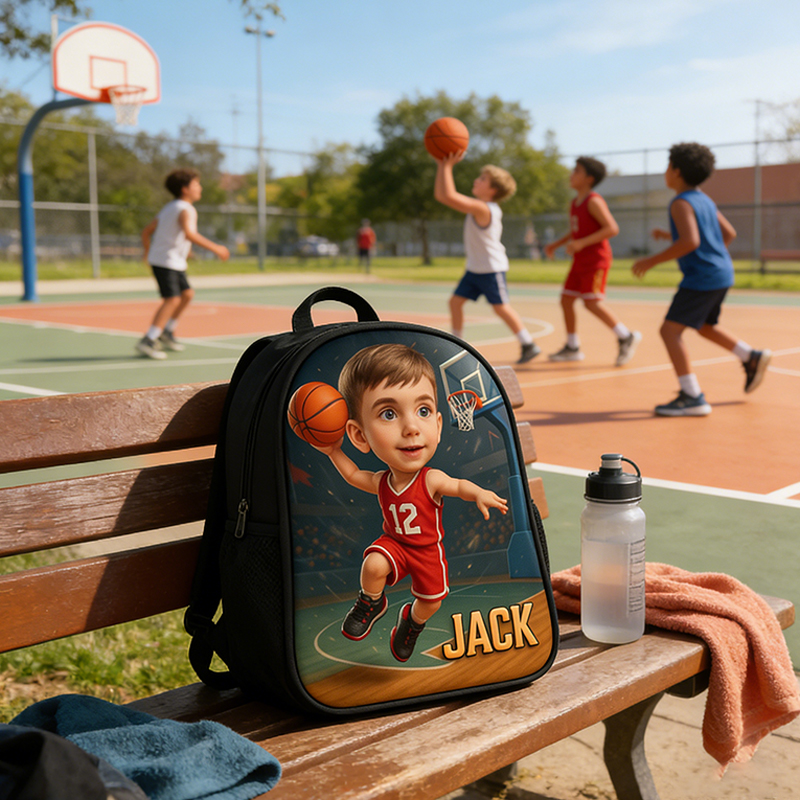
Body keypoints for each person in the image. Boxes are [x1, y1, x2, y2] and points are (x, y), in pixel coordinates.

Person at [313, 344, 508, 662]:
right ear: (359, 436)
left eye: (423, 411)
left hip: (427, 551)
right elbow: (352, 475)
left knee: (431, 602)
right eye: (389, 414)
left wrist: (479, 494)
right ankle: (371, 601)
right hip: (395, 544)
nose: (412, 427)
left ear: (439, 424)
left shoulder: (430, 480)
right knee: (373, 564)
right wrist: (333, 451)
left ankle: (410, 623)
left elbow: (456, 485)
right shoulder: (381, 481)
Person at [632, 142, 771, 416]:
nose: (666, 171)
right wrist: (707, 254)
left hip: (702, 277)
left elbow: (691, 241)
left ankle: (692, 395)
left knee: (669, 331)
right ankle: (750, 356)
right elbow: (727, 233)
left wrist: (651, 261)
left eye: (668, 166)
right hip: (722, 273)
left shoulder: (680, 202)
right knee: (705, 326)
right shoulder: (704, 200)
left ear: (676, 170)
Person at [433, 153, 540, 364]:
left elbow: (449, 196)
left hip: (491, 268)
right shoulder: (479, 206)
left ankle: (528, 343)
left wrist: (447, 166)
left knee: (500, 307)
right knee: (455, 303)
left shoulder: (484, 208)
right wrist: (441, 166)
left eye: (482, 179)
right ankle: (458, 343)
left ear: (493, 190)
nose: (476, 180)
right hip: (475, 268)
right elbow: (441, 196)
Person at [545, 157, 642, 366]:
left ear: (589, 178)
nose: (572, 174)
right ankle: (572, 346)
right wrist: (556, 244)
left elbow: (612, 228)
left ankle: (625, 336)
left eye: (577, 171)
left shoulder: (594, 201)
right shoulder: (575, 203)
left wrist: (581, 244)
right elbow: (575, 230)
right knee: (566, 300)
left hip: (596, 260)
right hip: (580, 260)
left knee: (591, 302)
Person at [137, 168, 229, 360]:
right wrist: (216, 248)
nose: (200, 187)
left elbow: (147, 232)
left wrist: (150, 252)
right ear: (185, 189)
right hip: (166, 261)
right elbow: (189, 234)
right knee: (173, 299)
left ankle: (167, 331)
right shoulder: (186, 209)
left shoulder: (169, 207)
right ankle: (149, 339)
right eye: (196, 184)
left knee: (187, 294)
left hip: (169, 260)